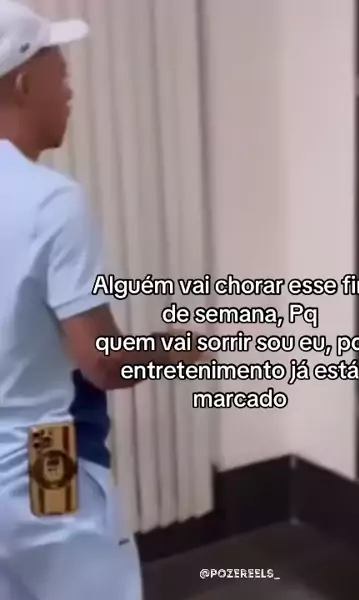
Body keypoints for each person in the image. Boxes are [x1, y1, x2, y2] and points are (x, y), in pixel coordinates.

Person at [0, 2, 204, 599]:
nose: (68, 92)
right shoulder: (50, 200)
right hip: (42, 455)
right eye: (61, 74)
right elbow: (104, 362)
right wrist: (184, 349)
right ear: (23, 83)